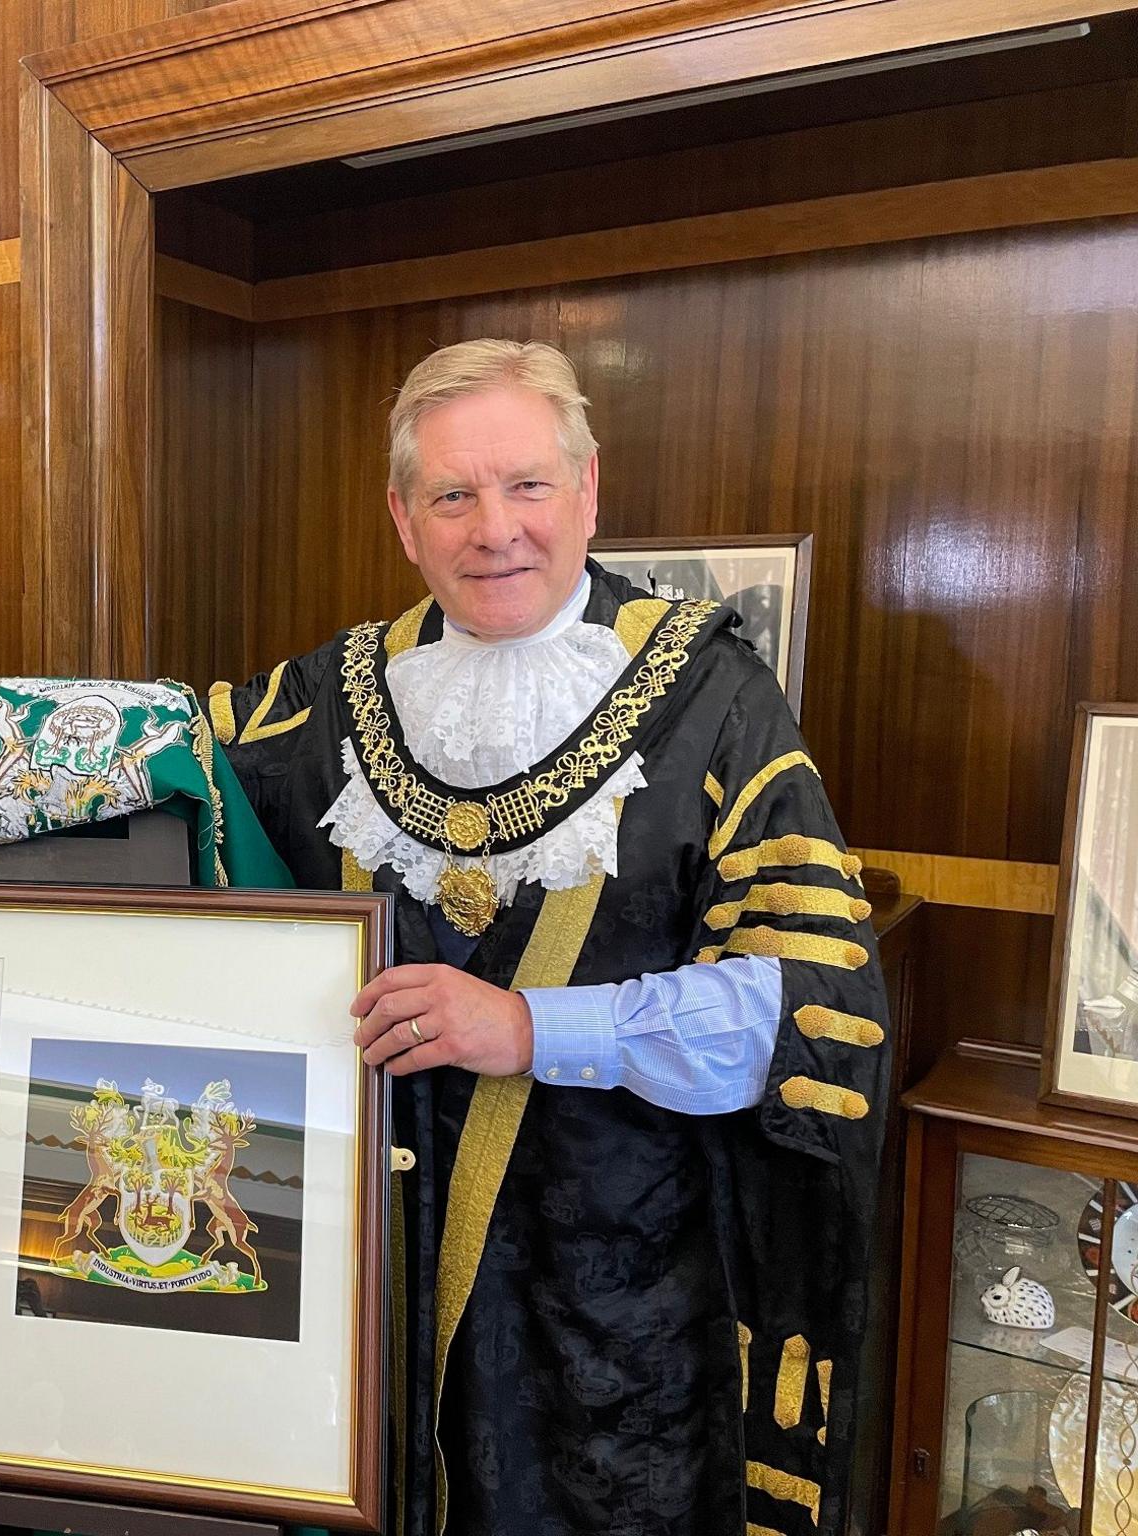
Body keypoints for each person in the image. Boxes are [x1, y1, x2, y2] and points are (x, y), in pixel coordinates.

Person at [206, 340, 889, 1534]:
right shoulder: (325, 695)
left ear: (584, 491)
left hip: (623, 1313)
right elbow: (148, 760)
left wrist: (527, 1026)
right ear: (401, 519)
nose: (493, 530)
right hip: (372, 1295)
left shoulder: (712, 698)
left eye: (526, 487)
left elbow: (801, 1016)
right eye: (452, 496)